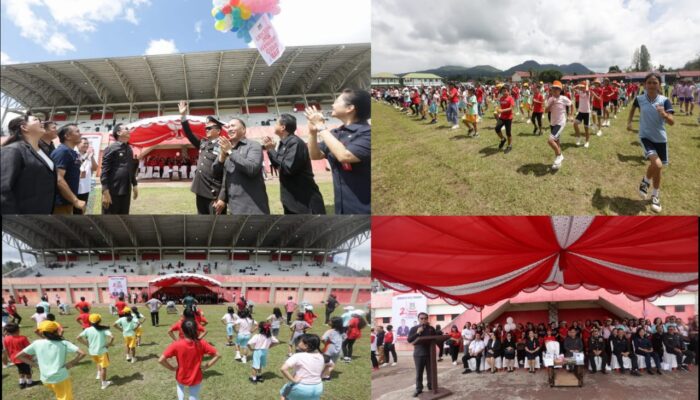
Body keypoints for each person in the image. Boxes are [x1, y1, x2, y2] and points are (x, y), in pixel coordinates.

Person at [306, 89, 371, 214]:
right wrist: (312, 133)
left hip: (364, 207)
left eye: (336, 101)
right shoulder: (335, 133)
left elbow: (345, 156)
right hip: (342, 206)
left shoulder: (367, 133)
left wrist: (320, 127)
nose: (332, 105)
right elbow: (315, 155)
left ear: (350, 108)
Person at [627, 72, 674, 213]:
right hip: (645, 137)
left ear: (659, 85)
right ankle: (648, 185)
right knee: (657, 164)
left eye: (655, 82)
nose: (652, 85)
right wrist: (629, 122)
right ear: (645, 84)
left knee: (657, 167)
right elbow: (632, 109)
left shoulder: (665, 100)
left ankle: (654, 194)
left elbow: (672, 122)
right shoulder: (640, 98)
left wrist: (664, 114)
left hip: (660, 139)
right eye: (649, 82)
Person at [262, 113, 325, 214]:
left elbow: (287, 169)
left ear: (283, 127)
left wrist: (271, 150)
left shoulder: (295, 142)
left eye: (276, 123)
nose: (274, 125)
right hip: (292, 199)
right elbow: (279, 166)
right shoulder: (283, 144)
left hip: (304, 200)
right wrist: (271, 150)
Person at [0, 113, 57, 214]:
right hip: (24, 217)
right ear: (24, 127)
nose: (42, 122)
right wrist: (15, 220)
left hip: (43, 212)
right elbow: (3, 190)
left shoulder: (43, 150)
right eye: (36, 120)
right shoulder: (13, 150)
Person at [15, 320, 86, 400]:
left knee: (59, 394)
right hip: (60, 378)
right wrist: (71, 363)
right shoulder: (64, 343)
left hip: (45, 379)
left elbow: (19, 356)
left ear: (42, 333)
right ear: (56, 331)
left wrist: (35, 365)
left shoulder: (36, 343)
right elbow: (82, 353)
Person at [178, 101, 226, 214]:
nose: (206, 130)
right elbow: (189, 134)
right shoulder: (203, 143)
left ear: (218, 131)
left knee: (217, 225)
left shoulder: (224, 145)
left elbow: (226, 173)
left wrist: (222, 197)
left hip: (214, 192)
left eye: (210, 128)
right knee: (202, 222)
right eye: (206, 128)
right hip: (200, 189)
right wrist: (183, 116)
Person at [216, 118, 270, 214]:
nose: (229, 129)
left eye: (233, 126)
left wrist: (230, 152)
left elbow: (252, 169)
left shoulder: (254, 146)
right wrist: (222, 198)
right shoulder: (227, 147)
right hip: (234, 206)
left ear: (243, 130)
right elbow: (225, 176)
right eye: (228, 127)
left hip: (253, 206)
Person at [159, 320, 221, 400]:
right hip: (196, 376)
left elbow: (161, 360)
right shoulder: (202, 343)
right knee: (194, 396)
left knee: (180, 387)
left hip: (181, 375)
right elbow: (218, 355)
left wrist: (172, 368)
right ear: (196, 330)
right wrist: (206, 366)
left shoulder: (176, 344)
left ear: (182, 331)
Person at [101, 124, 138, 214]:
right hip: (112, 191)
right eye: (126, 128)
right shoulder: (111, 148)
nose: (129, 130)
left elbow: (130, 168)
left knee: (123, 219)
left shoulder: (129, 149)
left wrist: (135, 184)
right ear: (118, 132)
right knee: (110, 221)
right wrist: (105, 192)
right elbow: (104, 171)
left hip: (126, 190)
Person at [51, 124, 85, 214]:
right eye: (77, 131)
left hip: (67, 201)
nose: (80, 134)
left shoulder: (71, 152)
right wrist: (75, 200)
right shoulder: (62, 152)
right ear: (67, 136)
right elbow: (58, 179)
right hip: (60, 203)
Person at [77, 314, 115, 390]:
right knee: (104, 367)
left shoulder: (87, 329)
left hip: (92, 352)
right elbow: (112, 336)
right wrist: (109, 344)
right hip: (102, 352)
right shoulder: (103, 329)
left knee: (98, 363)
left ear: (90, 321)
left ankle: (98, 374)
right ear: (99, 321)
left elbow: (78, 337)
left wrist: (87, 344)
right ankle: (104, 383)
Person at [545, 81, 574, 170]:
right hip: (553, 123)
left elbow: (571, 104)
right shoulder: (550, 99)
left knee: (550, 140)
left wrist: (571, 115)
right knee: (556, 142)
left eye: (557, 89)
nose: (555, 90)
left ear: (560, 90)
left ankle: (559, 155)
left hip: (560, 122)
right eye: (553, 88)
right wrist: (551, 104)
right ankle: (558, 162)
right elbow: (546, 111)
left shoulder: (563, 98)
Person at [407, 312, 436, 397]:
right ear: (418, 319)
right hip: (419, 354)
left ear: (427, 319)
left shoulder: (431, 329)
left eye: (425, 318)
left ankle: (431, 386)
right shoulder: (414, 328)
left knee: (430, 372)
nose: (423, 320)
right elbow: (409, 340)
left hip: (430, 353)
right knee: (419, 372)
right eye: (421, 318)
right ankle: (419, 389)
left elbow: (435, 338)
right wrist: (417, 333)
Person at [2, 323, 34, 389]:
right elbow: (29, 348)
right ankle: (29, 383)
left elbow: (6, 349)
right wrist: (31, 357)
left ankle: (21, 383)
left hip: (14, 358)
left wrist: (9, 357)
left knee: (21, 370)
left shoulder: (6, 339)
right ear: (18, 330)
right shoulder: (23, 338)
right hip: (24, 359)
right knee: (28, 371)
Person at [75, 137, 98, 214]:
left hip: (85, 188)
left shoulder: (89, 156)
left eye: (87, 143)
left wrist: (91, 157)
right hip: (75, 188)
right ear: (78, 144)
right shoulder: (74, 154)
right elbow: (77, 165)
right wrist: (86, 155)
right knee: (74, 210)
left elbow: (95, 168)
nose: (86, 145)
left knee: (82, 210)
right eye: (84, 143)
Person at [494, 85, 515, 153]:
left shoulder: (510, 98)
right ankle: (503, 139)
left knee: (508, 132)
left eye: (505, 91)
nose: (504, 92)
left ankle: (509, 146)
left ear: (508, 91)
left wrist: (502, 110)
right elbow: (500, 106)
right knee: (497, 128)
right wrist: (497, 109)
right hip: (502, 117)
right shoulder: (501, 98)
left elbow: (511, 108)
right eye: (503, 91)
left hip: (509, 118)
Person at [573, 80, 592, 148]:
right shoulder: (580, 92)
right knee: (575, 124)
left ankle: (587, 142)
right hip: (580, 112)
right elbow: (573, 89)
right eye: (582, 87)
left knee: (586, 129)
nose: (582, 88)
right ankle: (578, 137)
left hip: (587, 112)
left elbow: (587, 90)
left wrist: (586, 84)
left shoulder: (588, 92)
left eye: (583, 87)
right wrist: (578, 85)